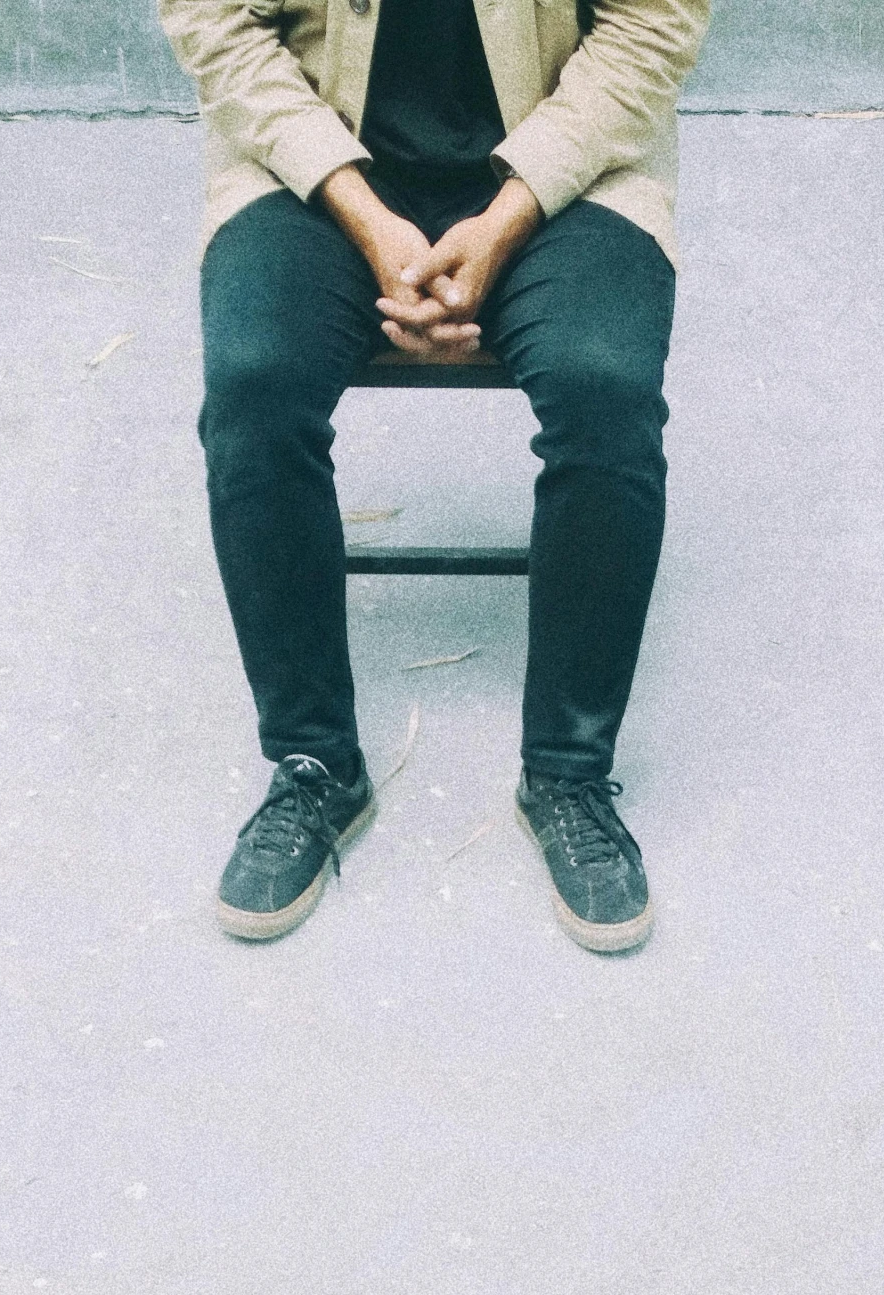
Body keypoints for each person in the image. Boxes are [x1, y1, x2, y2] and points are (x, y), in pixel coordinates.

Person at [161, 0, 711, 952]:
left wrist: (506, 219)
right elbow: (216, 24)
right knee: (254, 390)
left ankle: (569, 775)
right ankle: (313, 762)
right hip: (312, 168)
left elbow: (651, 26)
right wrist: (367, 218)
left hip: (570, 169)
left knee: (605, 393)